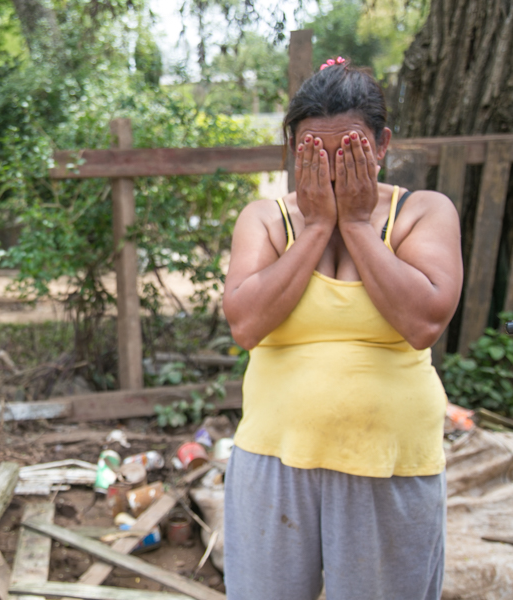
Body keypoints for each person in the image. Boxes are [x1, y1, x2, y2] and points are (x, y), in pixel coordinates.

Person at [221, 58, 464, 600]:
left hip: (390, 461)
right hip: (274, 456)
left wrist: (355, 224)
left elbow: (424, 322)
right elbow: (246, 324)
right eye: (315, 153)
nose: (332, 171)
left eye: (349, 151)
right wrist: (316, 228)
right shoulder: (265, 219)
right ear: (293, 149)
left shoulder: (423, 213)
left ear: (382, 145)